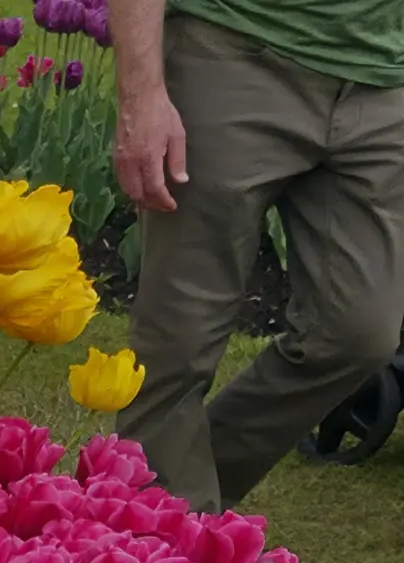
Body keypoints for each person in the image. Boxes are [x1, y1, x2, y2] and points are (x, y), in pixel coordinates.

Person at [113, 0, 404, 511]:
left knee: (357, 335)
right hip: (232, 52)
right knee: (177, 343)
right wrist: (141, 95)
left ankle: (155, 506)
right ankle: (159, 558)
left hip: (379, 80)